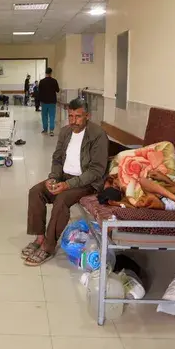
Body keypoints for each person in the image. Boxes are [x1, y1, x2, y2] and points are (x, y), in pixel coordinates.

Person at [22, 98, 108, 266]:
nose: (73, 121)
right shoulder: (65, 132)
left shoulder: (98, 135)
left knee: (61, 200)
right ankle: (40, 238)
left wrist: (68, 185)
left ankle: (48, 246)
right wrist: (53, 177)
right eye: (70, 116)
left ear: (87, 116)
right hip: (64, 177)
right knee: (36, 191)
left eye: (78, 116)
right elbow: (57, 159)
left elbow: (96, 170)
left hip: (86, 183)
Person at [38, 67, 60, 136]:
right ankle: (51, 131)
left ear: (45, 73)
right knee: (52, 116)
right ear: (51, 73)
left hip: (44, 102)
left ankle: (45, 130)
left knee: (44, 116)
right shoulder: (54, 81)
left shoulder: (41, 81)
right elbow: (57, 90)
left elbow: (39, 92)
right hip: (52, 102)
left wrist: (40, 101)